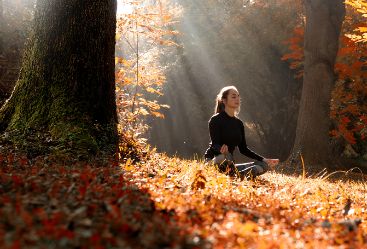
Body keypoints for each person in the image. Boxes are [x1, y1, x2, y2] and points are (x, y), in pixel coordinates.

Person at [204, 86, 279, 179]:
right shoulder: (215, 120)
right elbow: (214, 144)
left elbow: (244, 149)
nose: (237, 99)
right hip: (216, 159)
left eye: (238, 96)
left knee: (263, 164)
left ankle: (241, 174)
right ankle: (218, 170)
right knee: (224, 157)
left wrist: (265, 159)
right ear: (224, 100)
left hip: (230, 163)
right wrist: (221, 149)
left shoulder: (239, 123)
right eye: (233, 96)